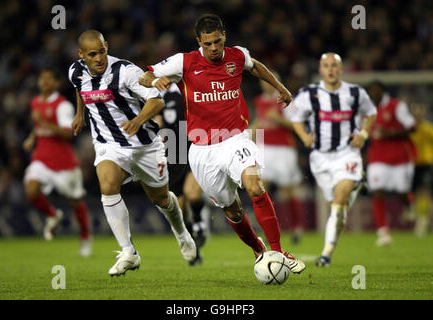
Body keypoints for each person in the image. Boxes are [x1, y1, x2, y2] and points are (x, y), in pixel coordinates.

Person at [139, 13, 305, 274]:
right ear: (199, 41)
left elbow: (255, 65)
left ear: (224, 36)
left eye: (217, 42)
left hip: (236, 138)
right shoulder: (183, 62)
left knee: (255, 185)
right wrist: (156, 79)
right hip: (203, 150)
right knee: (234, 211)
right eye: (208, 44)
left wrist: (279, 86)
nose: (214, 48)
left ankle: (279, 251)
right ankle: (259, 251)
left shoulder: (237, 55)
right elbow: (144, 77)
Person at [68, 30, 196, 276]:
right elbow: (79, 88)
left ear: (107, 46)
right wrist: (79, 114)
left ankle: (182, 233)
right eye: (92, 54)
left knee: (161, 199)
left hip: (145, 146)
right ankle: (128, 252)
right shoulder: (76, 71)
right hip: (109, 145)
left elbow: (157, 101)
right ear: (81, 55)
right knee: (107, 184)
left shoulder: (126, 72)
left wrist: (138, 120)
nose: (99, 58)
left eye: (102, 51)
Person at [289, 53, 377, 267]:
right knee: (337, 207)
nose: (330, 70)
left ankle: (326, 254)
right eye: (326, 66)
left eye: (334, 66)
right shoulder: (309, 94)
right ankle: (357, 183)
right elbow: (295, 117)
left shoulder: (355, 93)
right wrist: (304, 137)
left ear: (341, 69)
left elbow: (371, 113)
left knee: (338, 202)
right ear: (320, 70)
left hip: (347, 154)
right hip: (320, 158)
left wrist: (363, 135)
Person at [22, 68, 92, 257]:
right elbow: (39, 127)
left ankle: (85, 237)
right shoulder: (35, 102)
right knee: (31, 190)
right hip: (42, 159)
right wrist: (32, 137)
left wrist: (43, 123)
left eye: (48, 79)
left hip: (63, 162)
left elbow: (68, 134)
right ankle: (53, 214)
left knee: (75, 201)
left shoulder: (63, 106)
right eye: (41, 79)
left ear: (56, 83)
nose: (44, 82)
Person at [154, 83, 208, 266]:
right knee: (180, 208)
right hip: (173, 154)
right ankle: (195, 250)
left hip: (194, 147)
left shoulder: (191, 88)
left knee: (192, 193)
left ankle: (200, 222)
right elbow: (157, 121)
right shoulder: (157, 95)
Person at [251, 73, 305, 244]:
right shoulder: (259, 100)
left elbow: (297, 126)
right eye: (264, 81)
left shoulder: (286, 99)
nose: (266, 84)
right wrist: (247, 134)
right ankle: (268, 230)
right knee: (260, 189)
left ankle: (296, 227)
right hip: (264, 149)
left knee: (288, 191)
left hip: (283, 149)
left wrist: (278, 119)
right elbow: (260, 122)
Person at [366, 81, 417, 246]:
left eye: (376, 90)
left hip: (399, 157)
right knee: (377, 192)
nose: (373, 94)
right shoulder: (366, 110)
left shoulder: (397, 106)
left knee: (402, 192)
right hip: (377, 157)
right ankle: (383, 232)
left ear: (383, 91)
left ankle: (409, 206)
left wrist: (390, 133)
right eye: (370, 91)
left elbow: (412, 127)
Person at [410, 103, 433, 236]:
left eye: (420, 111)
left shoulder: (428, 128)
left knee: (424, 192)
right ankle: (418, 217)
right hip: (411, 164)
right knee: (413, 194)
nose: (418, 114)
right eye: (415, 111)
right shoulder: (409, 129)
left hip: (425, 164)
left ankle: (423, 221)